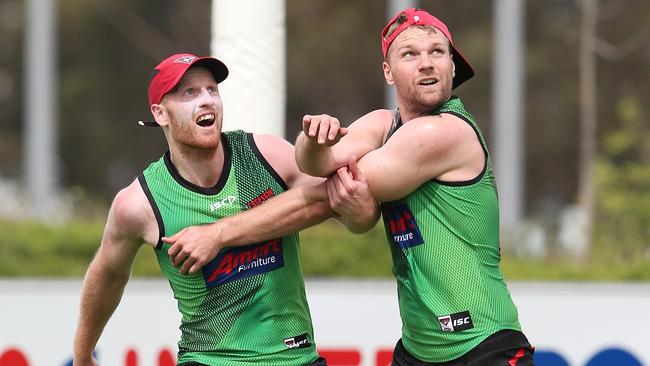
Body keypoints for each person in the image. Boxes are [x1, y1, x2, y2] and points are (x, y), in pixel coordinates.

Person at [73, 53, 378, 366]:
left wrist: (356, 202)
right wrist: (83, 355)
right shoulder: (139, 203)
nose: (207, 100)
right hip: (208, 359)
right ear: (161, 114)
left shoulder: (267, 155)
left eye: (211, 90)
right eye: (189, 93)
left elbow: (354, 215)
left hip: (294, 356)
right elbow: (108, 274)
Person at [294, 8, 535, 366]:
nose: (426, 63)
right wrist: (313, 139)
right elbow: (315, 166)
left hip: (483, 346)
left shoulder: (442, 132)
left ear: (452, 67)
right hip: (417, 352)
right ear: (388, 72)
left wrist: (224, 233)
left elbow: (336, 189)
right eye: (410, 54)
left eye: (437, 52)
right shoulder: (384, 125)